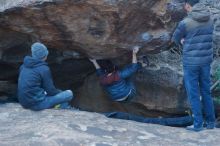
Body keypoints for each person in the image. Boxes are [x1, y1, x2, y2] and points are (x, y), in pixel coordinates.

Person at [172, 0, 216, 131]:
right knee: (206, 92)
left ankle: (197, 124)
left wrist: (183, 40)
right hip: (206, 62)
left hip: (191, 63)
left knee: (193, 93)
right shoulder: (210, 18)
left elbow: (175, 39)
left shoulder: (185, 23)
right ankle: (210, 123)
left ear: (187, 5)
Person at [18, 42, 74, 110]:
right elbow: (50, 91)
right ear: (45, 55)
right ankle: (63, 108)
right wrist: (60, 92)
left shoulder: (23, 66)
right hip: (36, 104)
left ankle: (60, 106)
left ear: (32, 54)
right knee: (69, 94)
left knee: (55, 95)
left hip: (23, 102)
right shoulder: (44, 69)